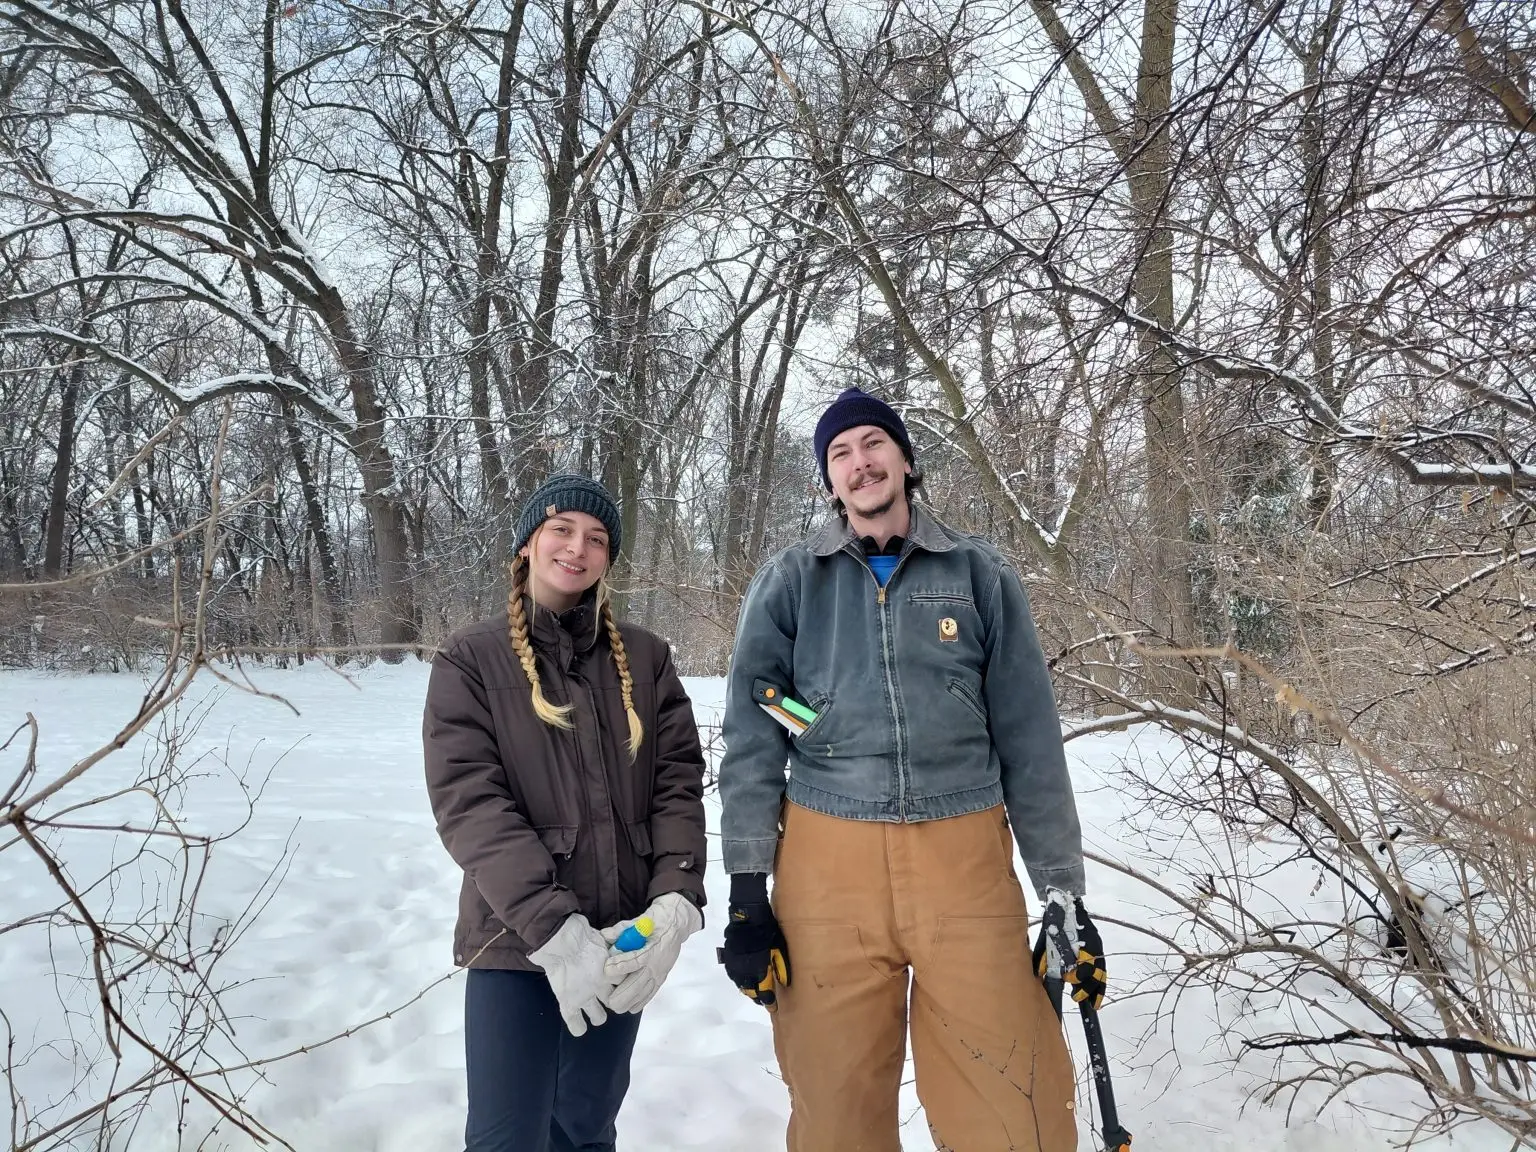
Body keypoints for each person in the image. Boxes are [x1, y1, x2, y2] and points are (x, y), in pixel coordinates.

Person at [716, 388, 1106, 1152]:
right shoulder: (792, 581)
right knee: (835, 1117)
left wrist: (1062, 891)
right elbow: (754, 735)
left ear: (904, 457)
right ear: (829, 480)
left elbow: (1030, 740)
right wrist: (745, 891)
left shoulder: (977, 572)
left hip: (964, 868)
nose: (859, 463)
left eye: (872, 443)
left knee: (1015, 1109)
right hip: (828, 873)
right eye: (840, 453)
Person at [424, 474, 708, 1152]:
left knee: (584, 1131)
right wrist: (554, 928)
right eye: (562, 529)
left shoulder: (646, 657)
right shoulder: (471, 658)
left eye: (597, 537)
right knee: (506, 1138)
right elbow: (470, 802)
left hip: (622, 939)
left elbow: (676, 783)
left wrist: (675, 898)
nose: (578, 548)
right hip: (517, 940)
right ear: (527, 543)